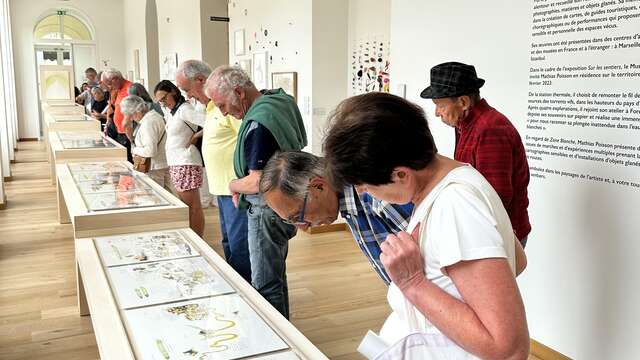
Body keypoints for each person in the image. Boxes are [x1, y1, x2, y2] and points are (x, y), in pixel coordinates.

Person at [323, 92, 529, 359]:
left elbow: (508, 348)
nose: (363, 194)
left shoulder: (454, 205)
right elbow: (517, 260)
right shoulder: (457, 178)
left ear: (400, 174)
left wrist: (413, 282)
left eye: (366, 186)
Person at [208, 65, 307, 318]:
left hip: (267, 208)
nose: (224, 112)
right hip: (283, 202)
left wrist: (232, 184)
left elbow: (257, 181)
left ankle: (276, 344)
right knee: (275, 274)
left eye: (222, 105)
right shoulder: (279, 101)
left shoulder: (258, 123)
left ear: (239, 92)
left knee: (265, 284)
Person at [420, 62, 531, 246]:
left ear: (463, 102)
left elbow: (496, 197)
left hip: (500, 234)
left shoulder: (490, 129)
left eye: (440, 105)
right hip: (486, 229)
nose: (437, 113)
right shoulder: (465, 124)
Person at [260, 151, 412, 284]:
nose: (302, 226)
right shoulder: (348, 203)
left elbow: (433, 259)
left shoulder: (376, 192)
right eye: (290, 220)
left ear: (318, 186)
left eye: (297, 216)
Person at [177, 59, 251, 283]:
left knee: (240, 250)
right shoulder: (211, 108)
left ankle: (247, 297)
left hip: (236, 191)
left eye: (187, 89)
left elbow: (247, 140)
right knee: (229, 245)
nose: (188, 96)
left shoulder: (228, 107)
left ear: (200, 80)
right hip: (223, 191)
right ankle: (238, 292)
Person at [154, 80, 205, 237]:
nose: (163, 103)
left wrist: (195, 136)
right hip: (177, 162)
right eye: (160, 101)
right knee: (185, 205)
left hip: (186, 162)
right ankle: (192, 238)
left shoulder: (185, 109)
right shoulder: (172, 111)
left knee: (193, 206)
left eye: (164, 98)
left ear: (173, 92)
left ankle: (198, 240)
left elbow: (211, 122)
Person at [120, 95, 170, 189]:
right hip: (159, 164)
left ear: (137, 112)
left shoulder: (148, 123)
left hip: (153, 168)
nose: (131, 119)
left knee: (156, 199)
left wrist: (135, 150)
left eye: (131, 115)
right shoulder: (153, 116)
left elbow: (150, 151)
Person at [103, 68, 133, 161]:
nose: (110, 87)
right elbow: (112, 107)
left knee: (129, 161)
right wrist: (108, 122)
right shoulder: (117, 89)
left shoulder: (130, 88)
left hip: (128, 133)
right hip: (119, 132)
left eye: (110, 84)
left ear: (115, 79)